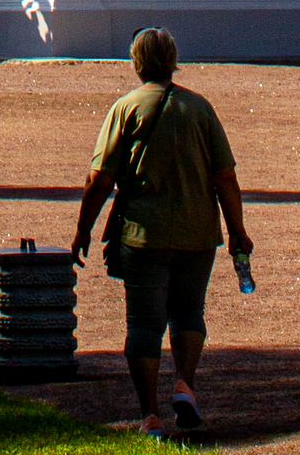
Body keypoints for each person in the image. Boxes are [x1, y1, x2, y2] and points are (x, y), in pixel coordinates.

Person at [73, 27, 252, 442]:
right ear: (172, 59)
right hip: (197, 233)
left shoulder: (126, 108)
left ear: (137, 62)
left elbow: (99, 178)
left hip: (143, 235)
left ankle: (151, 415)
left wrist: (83, 229)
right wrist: (238, 230)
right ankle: (185, 385)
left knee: (143, 325)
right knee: (189, 314)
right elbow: (225, 176)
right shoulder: (199, 108)